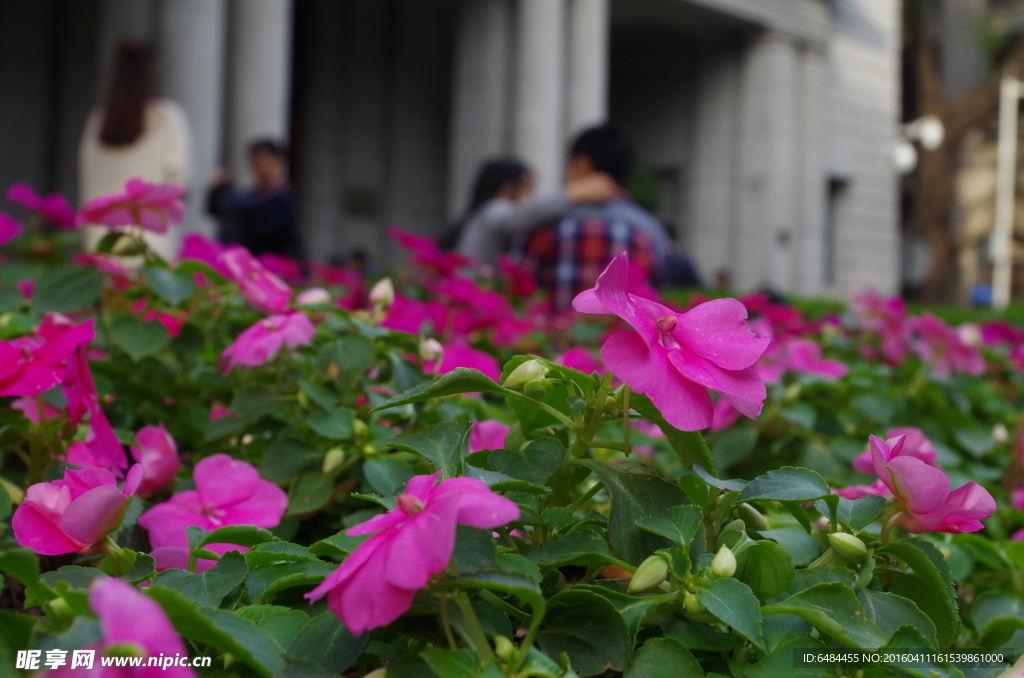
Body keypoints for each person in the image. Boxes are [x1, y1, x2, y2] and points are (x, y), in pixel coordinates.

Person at [516, 123, 670, 308]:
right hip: (621, 335)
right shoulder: (650, 230)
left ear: (582, 164)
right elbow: (659, 289)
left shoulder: (548, 225)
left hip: (555, 335)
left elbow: (517, 284)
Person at [79, 40, 191, 260]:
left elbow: (86, 179)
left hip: (102, 241)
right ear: (151, 71)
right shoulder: (167, 118)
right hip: (150, 244)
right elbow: (179, 179)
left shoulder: (97, 120)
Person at [450, 157, 616, 268]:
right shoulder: (493, 209)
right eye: (525, 187)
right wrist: (573, 193)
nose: (530, 197)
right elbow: (518, 218)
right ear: (506, 186)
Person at [206, 139, 300, 259]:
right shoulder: (251, 195)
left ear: (279, 160)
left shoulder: (284, 197)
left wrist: (233, 202)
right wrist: (218, 189)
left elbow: (262, 229)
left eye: (264, 157)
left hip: (269, 263)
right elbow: (216, 210)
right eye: (254, 157)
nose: (258, 162)